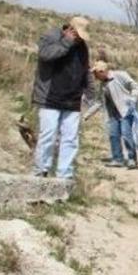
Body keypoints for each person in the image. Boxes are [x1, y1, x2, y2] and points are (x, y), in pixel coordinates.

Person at [32, 16, 94, 179]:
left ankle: (64, 175)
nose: (80, 39)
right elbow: (46, 55)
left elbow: (85, 70)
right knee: (48, 136)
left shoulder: (83, 47)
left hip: (72, 100)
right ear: (70, 29)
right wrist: (66, 42)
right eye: (78, 35)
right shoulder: (51, 36)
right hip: (50, 97)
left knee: (71, 139)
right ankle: (40, 171)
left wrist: (90, 91)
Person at [88, 61, 138, 168]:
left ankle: (132, 159)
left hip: (126, 111)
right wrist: (87, 115)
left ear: (102, 71)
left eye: (96, 73)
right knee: (113, 135)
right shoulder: (103, 84)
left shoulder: (120, 75)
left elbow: (135, 86)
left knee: (126, 135)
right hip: (113, 114)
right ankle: (118, 159)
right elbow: (99, 102)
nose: (94, 76)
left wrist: (132, 99)